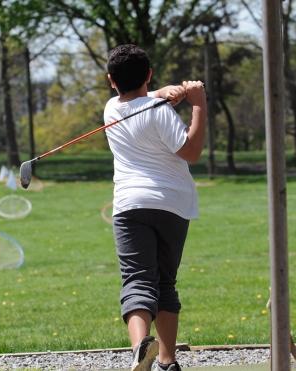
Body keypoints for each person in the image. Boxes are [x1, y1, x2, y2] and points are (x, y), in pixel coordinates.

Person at [104, 44, 207, 371]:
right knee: (164, 282)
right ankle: (166, 361)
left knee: (137, 280)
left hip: (129, 205)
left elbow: (142, 99)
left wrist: (163, 94)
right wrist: (198, 106)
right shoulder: (160, 111)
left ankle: (140, 348)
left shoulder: (110, 109)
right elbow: (190, 152)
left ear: (111, 81)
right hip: (172, 205)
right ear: (149, 74)